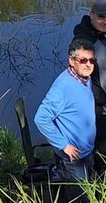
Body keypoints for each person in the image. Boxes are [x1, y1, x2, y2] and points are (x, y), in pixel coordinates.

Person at [73, 0, 106, 177]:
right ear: (91, 15)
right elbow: (77, 76)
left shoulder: (104, 37)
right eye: (101, 17)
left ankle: (104, 186)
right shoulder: (84, 42)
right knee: (103, 156)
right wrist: (98, 98)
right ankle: (102, 196)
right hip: (100, 110)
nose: (105, 22)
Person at [34, 38, 97, 185]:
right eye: (83, 60)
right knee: (79, 201)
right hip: (72, 158)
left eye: (92, 60)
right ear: (71, 60)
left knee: (88, 191)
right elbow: (41, 118)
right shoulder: (63, 88)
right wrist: (64, 145)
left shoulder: (84, 79)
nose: (88, 64)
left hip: (86, 151)